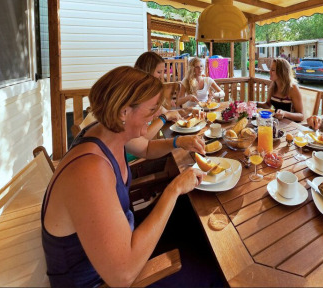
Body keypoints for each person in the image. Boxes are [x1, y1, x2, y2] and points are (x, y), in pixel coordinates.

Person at [42, 66, 206, 287]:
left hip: (121, 241)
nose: (159, 114)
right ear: (124, 112)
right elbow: (123, 275)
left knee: (189, 214)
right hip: (101, 280)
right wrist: (173, 189)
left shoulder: (107, 132)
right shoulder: (89, 170)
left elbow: (146, 149)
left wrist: (178, 142)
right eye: (152, 109)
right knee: (211, 264)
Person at [134, 52, 185, 139]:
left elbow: (166, 112)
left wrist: (189, 110)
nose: (162, 76)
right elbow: (141, 139)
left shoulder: (150, 93)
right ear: (147, 71)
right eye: (159, 72)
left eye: (163, 72)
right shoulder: (138, 96)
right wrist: (164, 117)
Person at [257, 58, 304, 122]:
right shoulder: (273, 86)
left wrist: (284, 113)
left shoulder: (293, 88)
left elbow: (301, 116)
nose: (269, 72)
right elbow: (268, 105)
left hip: (290, 125)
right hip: (277, 123)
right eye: (270, 69)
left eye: (273, 70)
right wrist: (254, 104)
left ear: (282, 72)